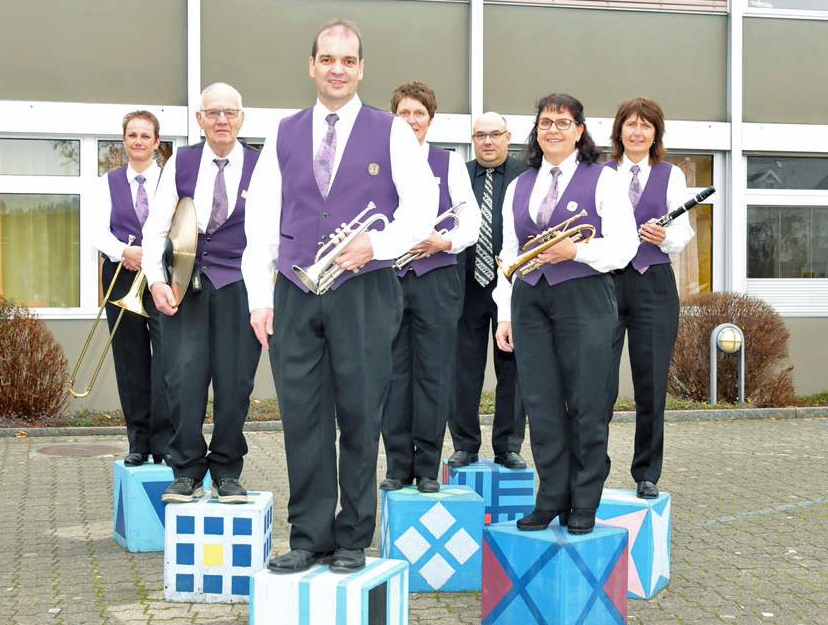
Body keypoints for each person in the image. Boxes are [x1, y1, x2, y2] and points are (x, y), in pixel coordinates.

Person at [242, 20, 436, 574]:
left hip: (365, 292)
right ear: (311, 65)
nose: (336, 68)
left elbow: (421, 208)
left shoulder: (392, 130)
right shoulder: (282, 131)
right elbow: (261, 222)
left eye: (347, 60)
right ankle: (309, 536)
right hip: (297, 293)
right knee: (301, 417)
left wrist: (377, 242)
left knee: (358, 415)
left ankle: (353, 536)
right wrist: (261, 296)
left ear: (360, 69)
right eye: (327, 58)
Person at [493, 93, 638, 534]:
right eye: (544, 123)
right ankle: (551, 495)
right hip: (530, 300)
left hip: (585, 297)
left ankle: (585, 500)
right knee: (541, 403)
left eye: (562, 122)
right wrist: (505, 313)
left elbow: (626, 245)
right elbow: (509, 253)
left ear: (579, 131)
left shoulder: (605, 178)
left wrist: (577, 248)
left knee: (588, 402)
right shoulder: (521, 184)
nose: (552, 130)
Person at [142, 82, 262, 504]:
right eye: (213, 113)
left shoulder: (262, 165)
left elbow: (272, 235)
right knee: (183, 381)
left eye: (230, 112)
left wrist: (268, 296)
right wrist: (156, 281)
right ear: (200, 119)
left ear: (241, 118)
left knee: (236, 384)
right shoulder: (182, 163)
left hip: (241, 287)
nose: (222, 120)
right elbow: (156, 227)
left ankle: (227, 469)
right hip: (186, 287)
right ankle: (187, 469)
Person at [380, 81, 480, 493]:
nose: (411, 120)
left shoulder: (448, 162)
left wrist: (445, 241)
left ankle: (427, 468)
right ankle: (397, 465)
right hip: (389, 278)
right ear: (394, 119)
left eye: (419, 113)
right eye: (404, 113)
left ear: (430, 120)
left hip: (437, 277)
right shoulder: (380, 162)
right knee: (393, 374)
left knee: (434, 374)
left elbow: (469, 219)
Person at [604, 97, 695, 499]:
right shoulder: (599, 172)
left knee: (651, 382)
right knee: (596, 383)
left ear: (655, 134)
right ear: (619, 130)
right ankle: (592, 469)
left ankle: (646, 473)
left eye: (646, 126)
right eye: (631, 125)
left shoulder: (670, 174)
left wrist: (666, 236)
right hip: (604, 282)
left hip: (653, 283)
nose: (637, 132)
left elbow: (684, 232)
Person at [447, 112, 527, 470]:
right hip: (465, 286)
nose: (488, 142)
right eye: (480, 135)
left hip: (511, 283)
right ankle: (464, 444)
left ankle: (508, 446)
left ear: (508, 137)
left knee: (512, 368)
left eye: (495, 134)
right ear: (473, 138)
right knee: (462, 368)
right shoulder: (458, 174)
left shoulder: (526, 175)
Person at [91, 110, 171, 466]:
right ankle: (138, 442)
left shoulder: (170, 180)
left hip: (161, 278)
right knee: (130, 361)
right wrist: (123, 252)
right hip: (122, 273)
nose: (138, 141)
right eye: (132, 135)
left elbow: (182, 226)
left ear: (157, 142)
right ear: (124, 141)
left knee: (167, 360)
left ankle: (164, 442)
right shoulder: (104, 183)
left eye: (145, 136)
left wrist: (154, 253)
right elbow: (94, 229)